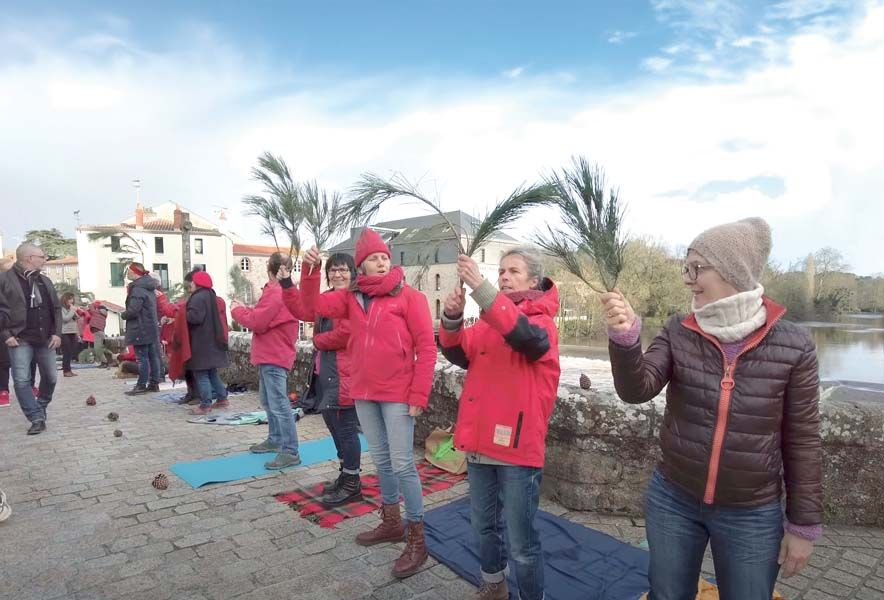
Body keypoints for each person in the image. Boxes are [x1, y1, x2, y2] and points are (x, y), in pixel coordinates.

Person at [600, 218, 822, 600]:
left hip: (752, 511)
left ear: (733, 270)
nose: (687, 278)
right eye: (685, 267)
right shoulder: (679, 329)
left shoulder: (794, 345)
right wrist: (625, 339)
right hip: (673, 498)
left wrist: (802, 526)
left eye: (696, 267)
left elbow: (802, 439)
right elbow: (637, 389)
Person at [296, 229, 436, 579]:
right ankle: (391, 522)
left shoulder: (410, 298)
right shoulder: (350, 299)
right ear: (362, 265)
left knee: (403, 463)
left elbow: (427, 349)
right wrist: (310, 271)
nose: (382, 261)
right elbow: (309, 308)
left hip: (399, 393)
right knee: (383, 460)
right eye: (374, 257)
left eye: (385, 256)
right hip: (364, 391)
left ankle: (417, 536)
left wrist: (419, 394)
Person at [439, 248, 560, 600]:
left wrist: (480, 287)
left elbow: (524, 338)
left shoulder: (541, 323)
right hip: (480, 443)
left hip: (518, 449)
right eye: (502, 271)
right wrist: (452, 318)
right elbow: (458, 352)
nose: (505, 276)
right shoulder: (489, 322)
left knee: (522, 542)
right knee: (483, 526)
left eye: (514, 271)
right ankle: (494, 584)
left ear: (533, 281)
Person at [281, 252, 362, 505]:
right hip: (326, 374)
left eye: (343, 270)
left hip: (345, 375)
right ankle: (345, 474)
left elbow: (348, 333)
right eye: (332, 270)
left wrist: (317, 341)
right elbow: (302, 308)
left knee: (346, 430)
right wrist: (292, 281)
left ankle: (352, 483)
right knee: (334, 426)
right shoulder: (326, 299)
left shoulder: (354, 300)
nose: (337, 274)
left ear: (353, 273)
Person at [231, 252, 302, 470]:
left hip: (274, 354)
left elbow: (258, 321)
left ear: (270, 270)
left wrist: (236, 310)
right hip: (272, 353)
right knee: (269, 401)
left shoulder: (276, 291)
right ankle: (275, 439)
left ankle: (290, 450)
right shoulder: (282, 291)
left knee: (278, 404)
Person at [0, 243, 62, 435]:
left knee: (51, 377)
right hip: (19, 338)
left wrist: (57, 333)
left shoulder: (44, 281)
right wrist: (6, 334)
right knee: (21, 380)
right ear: (29, 259)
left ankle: (41, 405)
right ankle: (35, 417)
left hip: (45, 337)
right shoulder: (5, 280)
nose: (44, 260)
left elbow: (56, 309)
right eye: (41, 257)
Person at [185, 271, 229, 415]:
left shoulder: (198, 298)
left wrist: (183, 313)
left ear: (197, 283)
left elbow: (195, 318)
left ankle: (205, 405)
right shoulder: (211, 295)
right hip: (213, 340)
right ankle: (222, 398)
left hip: (201, 342)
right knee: (212, 373)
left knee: (202, 374)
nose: (190, 284)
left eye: (192, 282)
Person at [121, 263, 162, 395]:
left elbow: (133, 310)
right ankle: (154, 383)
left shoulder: (137, 289)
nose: (127, 273)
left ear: (135, 272)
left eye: (129, 271)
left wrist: (124, 314)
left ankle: (141, 385)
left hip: (140, 327)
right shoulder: (149, 287)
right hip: (150, 326)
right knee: (152, 356)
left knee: (142, 358)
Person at [164, 269, 201, 404]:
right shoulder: (193, 298)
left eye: (188, 286)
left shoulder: (202, 298)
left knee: (195, 369)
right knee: (187, 369)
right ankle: (191, 393)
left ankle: (198, 395)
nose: (187, 290)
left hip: (196, 339)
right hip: (188, 338)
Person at [59, 292, 80, 377]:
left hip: (72, 332)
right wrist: (72, 310)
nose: (71, 301)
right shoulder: (61, 309)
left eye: (72, 299)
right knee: (66, 352)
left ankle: (69, 369)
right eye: (69, 299)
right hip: (64, 332)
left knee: (71, 351)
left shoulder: (71, 309)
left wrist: (74, 312)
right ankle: (66, 370)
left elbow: (76, 318)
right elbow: (65, 318)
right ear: (65, 299)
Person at [88, 300, 109, 367]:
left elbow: (91, 307)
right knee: (98, 348)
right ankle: (103, 362)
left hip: (97, 332)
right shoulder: (104, 315)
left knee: (97, 349)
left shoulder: (96, 313)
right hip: (100, 332)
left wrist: (93, 304)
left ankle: (104, 362)